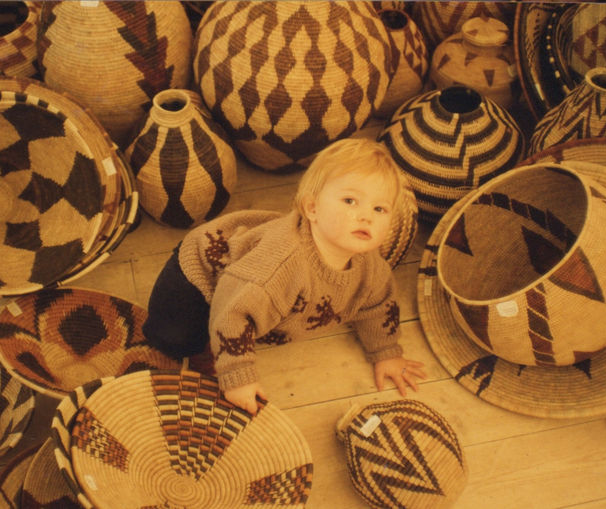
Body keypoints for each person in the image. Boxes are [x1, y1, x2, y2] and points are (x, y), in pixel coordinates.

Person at [142, 137, 425, 414]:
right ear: (312, 208)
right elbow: (232, 311)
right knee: (173, 340)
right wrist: (238, 376)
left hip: (246, 290)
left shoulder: (371, 268)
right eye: (350, 200)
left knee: (248, 314)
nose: (366, 216)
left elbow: (378, 305)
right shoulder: (282, 265)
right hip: (201, 276)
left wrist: (386, 351)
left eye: (380, 208)